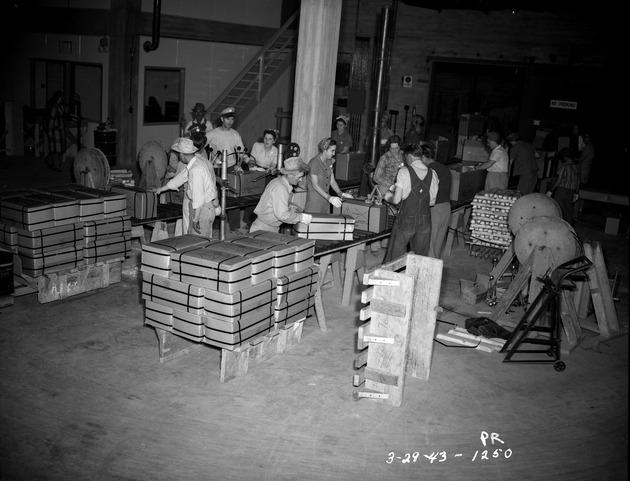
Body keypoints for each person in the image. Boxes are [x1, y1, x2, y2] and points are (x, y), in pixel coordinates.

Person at [382, 143, 439, 263]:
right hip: (425, 220)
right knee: (420, 258)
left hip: (406, 219)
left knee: (395, 256)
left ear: (409, 157)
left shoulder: (404, 171)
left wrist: (388, 197)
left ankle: (392, 278)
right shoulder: (433, 173)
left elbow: (397, 200)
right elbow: (432, 201)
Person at [153, 137, 221, 238]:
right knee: (193, 240)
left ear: (181, 154)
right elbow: (180, 178)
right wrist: (160, 189)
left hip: (203, 209)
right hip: (203, 207)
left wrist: (195, 220)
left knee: (198, 243)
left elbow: (198, 199)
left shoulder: (196, 170)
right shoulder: (195, 162)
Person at [207, 107, 248, 231]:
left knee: (232, 195)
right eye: (227, 119)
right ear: (221, 119)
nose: (230, 122)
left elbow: (241, 151)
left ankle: (234, 226)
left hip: (230, 168)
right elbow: (201, 147)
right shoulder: (212, 134)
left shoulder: (235, 134)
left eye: (232, 119)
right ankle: (214, 225)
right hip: (216, 168)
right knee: (214, 195)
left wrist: (246, 159)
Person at [249, 157, 313, 233]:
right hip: (264, 229)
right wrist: (301, 217)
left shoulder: (278, 181)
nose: (301, 180)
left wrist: (290, 208)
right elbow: (282, 215)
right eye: (299, 177)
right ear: (290, 175)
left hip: (268, 226)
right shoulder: (281, 188)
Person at [304, 137, 353, 214]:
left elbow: (332, 181)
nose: (334, 154)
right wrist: (330, 198)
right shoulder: (314, 163)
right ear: (324, 150)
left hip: (326, 201)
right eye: (332, 151)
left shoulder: (329, 161)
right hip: (315, 203)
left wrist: (341, 194)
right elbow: (315, 185)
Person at [420, 143, 452, 259]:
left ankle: (428, 274)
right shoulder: (444, 168)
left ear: (423, 157)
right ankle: (435, 271)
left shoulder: (429, 171)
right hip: (446, 208)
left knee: (429, 244)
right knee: (437, 244)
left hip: (435, 209)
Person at [548, 148, 579, 226]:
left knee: (557, 208)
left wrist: (551, 190)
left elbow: (558, 180)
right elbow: (578, 180)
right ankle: (569, 227)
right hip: (571, 191)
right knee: (568, 210)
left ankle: (555, 225)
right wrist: (576, 192)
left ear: (565, 157)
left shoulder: (564, 166)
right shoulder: (577, 166)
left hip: (561, 190)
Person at [45, 90, 68, 172]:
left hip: (61, 132)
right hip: (56, 132)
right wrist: (50, 132)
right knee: (56, 150)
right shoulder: (54, 107)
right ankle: (57, 166)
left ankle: (52, 162)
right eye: (61, 97)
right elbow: (51, 120)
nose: (62, 98)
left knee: (60, 150)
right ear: (58, 97)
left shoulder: (60, 107)